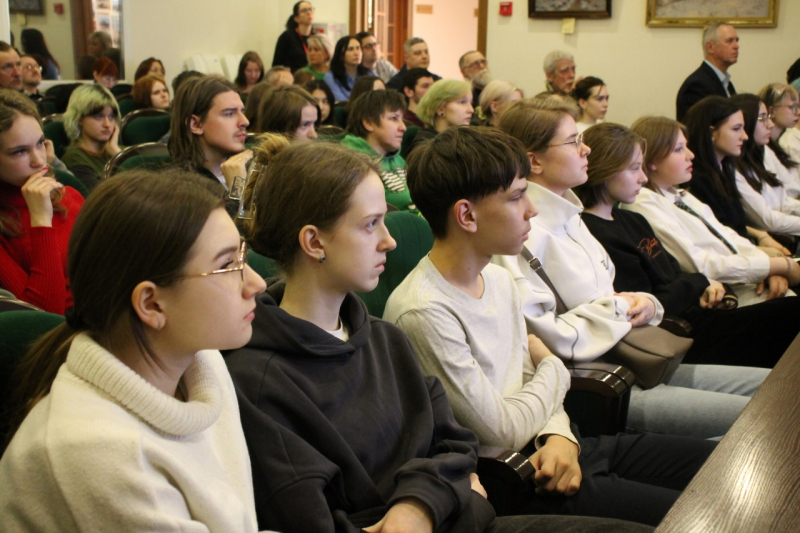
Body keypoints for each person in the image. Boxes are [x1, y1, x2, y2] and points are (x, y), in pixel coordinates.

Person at [224, 134, 651, 533]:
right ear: (315, 243)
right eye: (371, 224)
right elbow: (319, 517)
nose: (390, 242)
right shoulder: (260, 380)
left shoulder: (382, 339)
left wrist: (420, 503)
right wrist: (446, 491)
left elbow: (456, 443)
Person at [383, 126, 717, 527]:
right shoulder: (423, 310)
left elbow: (529, 377)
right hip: (519, 476)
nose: (532, 210)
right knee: (702, 517)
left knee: (723, 466)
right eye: (516, 197)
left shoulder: (499, 279)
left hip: (555, 446)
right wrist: (555, 368)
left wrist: (560, 435)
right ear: (467, 215)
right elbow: (501, 431)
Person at [0, 169, 268, 532]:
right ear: (152, 305)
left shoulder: (200, 360)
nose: (257, 282)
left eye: (242, 257)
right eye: (226, 266)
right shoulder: (98, 455)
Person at [495, 98, 769, 439]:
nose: (586, 149)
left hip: (637, 357)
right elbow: (545, 335)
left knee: (775, 390)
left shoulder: (572, 217)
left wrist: (646, 303)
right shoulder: (522, 233)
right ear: (534, 160)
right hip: (599, 383)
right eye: (574, 142)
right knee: (764, 421)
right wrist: (622, 308)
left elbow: (615, 294)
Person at [577, 122, 800, 368]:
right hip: (678, 335)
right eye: (634, 168)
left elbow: (675, 271)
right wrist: (699, 283)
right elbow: (648, 303)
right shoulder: (595, 232)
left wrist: (702, 286)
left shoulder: (632, 219)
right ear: (605, 171)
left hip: (702, 309)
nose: (643, 177)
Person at [626, 116, 800, 307]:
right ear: (652, 159)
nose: (690, 155)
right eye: (679, 149)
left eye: (686, 146)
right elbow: (699, 264)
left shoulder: (680, 194)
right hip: (722, 292)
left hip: (745, 278)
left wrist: (768, 269)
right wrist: (776, 266)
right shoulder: (644, 202)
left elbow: (729, 238)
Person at [0, 89, 83, 315]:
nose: (39, 161)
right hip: (64, 330)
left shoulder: (69, 195)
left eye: (40, 143)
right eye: (19, 152)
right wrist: (41, 221)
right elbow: (43, 317)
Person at [683, 96, 789, 256]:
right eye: (736, 129)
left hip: (746, 250)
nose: (745, 136)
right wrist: (764, 254)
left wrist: (761, 236)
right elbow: (717, 238)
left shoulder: (724, 170)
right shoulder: (698, 180)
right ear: (711, 133)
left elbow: (733, 226)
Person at [168, 75, 251, 218]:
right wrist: (238, 190)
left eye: (242, 112)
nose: (245, 121)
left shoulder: (251, 167)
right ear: (196, 124)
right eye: (229, 114)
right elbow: (238, 231)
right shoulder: (181, 190)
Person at [729, 93, 800, 238]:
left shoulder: (761, 152)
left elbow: (784, 202)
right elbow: (768, 220)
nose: (770, 124)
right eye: (762, 118)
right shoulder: (732, 169)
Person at [341, 90, 415, 213]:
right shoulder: (351, 163)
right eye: (394, 118)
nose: (403, 127)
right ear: (368, 123)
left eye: (402, 119)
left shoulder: (398, 159)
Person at [61, 85, 121, 192]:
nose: (107, 124)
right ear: (79, 119)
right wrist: (119, 157)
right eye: (99, 116)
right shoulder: (74, 158)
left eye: (111, 117)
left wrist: (117, 153)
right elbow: (102, 195)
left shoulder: (118, 150)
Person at [676, 22, 738, 122]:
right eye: (729, 41)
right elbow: (699, 127)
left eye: (736, 40)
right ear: (710, 47)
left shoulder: (727, 84)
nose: (736, 46)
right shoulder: (696, 86)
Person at [401, 79, 473, 157]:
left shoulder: (463, 142)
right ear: (440, 109)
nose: (471, 110)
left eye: (470, 103)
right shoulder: (428, 149)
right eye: (462, 102)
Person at [759, 83, 800, 197]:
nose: (798, 112)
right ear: (772, 111)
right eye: (792, 107)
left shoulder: (788, 137)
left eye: (798, 106)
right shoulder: (785, 143)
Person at [272, 1, 314, 72]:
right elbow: (277, 66)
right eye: (304, 10)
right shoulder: (287, 37)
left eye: (310, 9)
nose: (309, 13)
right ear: (296, 18)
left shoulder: (315, 38)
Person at [324, 35, 368, 102]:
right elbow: (341, 102)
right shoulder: (331, 76)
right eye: (350, 49)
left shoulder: (369, 74)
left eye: (358, 48)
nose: (356, 53)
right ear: (341, 55)